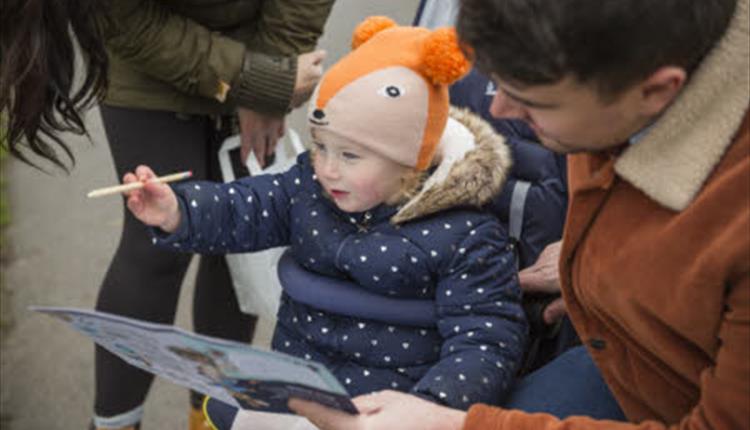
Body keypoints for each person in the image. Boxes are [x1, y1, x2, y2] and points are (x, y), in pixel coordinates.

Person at [286, 0, 750, 429]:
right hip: (627, 355)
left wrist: (454, 423)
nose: (498, 108)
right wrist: (604, 267)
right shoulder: (608, 89)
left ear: (654, 91)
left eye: (533, 101)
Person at [124, 16, 528, 429]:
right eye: (320, 146)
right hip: (295, 397)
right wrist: (178, 211)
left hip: (386, 411)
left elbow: (485, 341)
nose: (328, 169)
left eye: (349, 156)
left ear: (411, 159)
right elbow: (246, 206)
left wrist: (430, 410)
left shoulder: (467, 236)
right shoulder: (310, 186)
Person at [89, 1, 335, 430]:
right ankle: (113, 423)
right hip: (145, 49)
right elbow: (123, 18)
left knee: (239, 235)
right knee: (153, 247)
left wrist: (268, 79)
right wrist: (255, 81)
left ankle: (211, 416)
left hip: (260, 43)